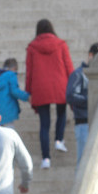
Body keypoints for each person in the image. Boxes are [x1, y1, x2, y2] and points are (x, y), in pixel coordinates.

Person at [25, 19, 74, 169]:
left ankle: (46, 158)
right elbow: (69, 67)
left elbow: (29, 72)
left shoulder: (32, 47)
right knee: (61, 113)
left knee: (44, 124)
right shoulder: (61, 45)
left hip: (40, 87)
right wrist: (72, 85)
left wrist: (28, 91)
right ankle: (59, 140)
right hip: (60, 84)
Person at [66, 42, 98, 165]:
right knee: (83, 162)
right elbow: (70, 96)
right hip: (83, 123)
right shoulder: (79, 74)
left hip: (94, 122)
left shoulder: (97, 75)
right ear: (91, 55)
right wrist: (89, 99)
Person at [0, 58, 30, 128]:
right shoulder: (11, 75)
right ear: (14, 68)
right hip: (7, 111)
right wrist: (28, 97)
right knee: (8, 133)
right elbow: (14, 91)